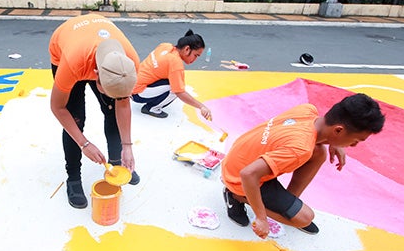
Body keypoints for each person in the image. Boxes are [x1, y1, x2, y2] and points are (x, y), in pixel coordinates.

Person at [220, 93, 385, 238]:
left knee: (319, 152)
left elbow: (325, 133)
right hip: (240, 176)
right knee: (305, 218)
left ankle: (286, 205)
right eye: (355, 141)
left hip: (240, 156)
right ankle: (236, 196)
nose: (353, 145)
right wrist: (261, 217)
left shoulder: (307, 110)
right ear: (339, 130)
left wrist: (335, 142)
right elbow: (248, 174)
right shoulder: (300, 148)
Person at [49, 13, 141, 209]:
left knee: (111, 110)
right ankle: (73, 177)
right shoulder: (74, 64)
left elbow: (122, 103)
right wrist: (84, 144)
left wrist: (127, 146)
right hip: (66, 45)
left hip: (93, 46)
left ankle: (116, 164)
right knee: (76, 118)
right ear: (96, 76)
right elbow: (57, 107)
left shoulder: (129, 63)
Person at [131, 30, 212, 121]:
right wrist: (201, 107)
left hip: (130, 86)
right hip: (137, 93)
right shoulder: (175, 63)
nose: (195, 59)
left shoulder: (165, 46)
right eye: (196, 55)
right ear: (187, 49)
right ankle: (152, 108)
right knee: (175, 88)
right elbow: (180, 92)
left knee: (174, 83)